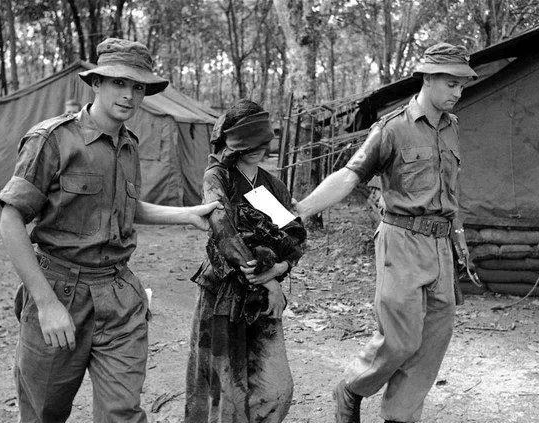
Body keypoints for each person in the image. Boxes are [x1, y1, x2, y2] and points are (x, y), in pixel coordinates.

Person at [0, 38, 219, 423]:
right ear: (96, 83)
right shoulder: (52, 139)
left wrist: (187, 215)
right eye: (119, 83)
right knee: (43, 413)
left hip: (119, 295)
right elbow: (11, 219)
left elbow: (127, 209)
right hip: (60, 289)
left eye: (138, 87)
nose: (130, 95)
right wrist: (47, 304)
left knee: (121, 414)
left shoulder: (129, 144)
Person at [295, 43, 477, 423]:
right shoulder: (392, 128)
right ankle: (352, 387)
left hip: (440, 245)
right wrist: (300, 210)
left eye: (462, 85)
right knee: (400, 339)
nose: (458, 92)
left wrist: (458, 239)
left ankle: (400, 416)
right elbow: (350, 175)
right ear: (427, 78)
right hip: (402, 242)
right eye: (450, 83)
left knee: (432, 342)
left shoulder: (452, 127)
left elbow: (451, 192)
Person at [185, 100, 306, 423]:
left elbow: (295, 235)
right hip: (223, 293)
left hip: (263, 300)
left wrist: (281, 268)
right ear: (228, 143)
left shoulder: (272, 184)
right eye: (245, 144)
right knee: (224, 393)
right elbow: (222, 227)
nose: (254, 150)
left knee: (276, 389)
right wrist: (269, 282)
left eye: (260, 144)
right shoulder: (218, 177)